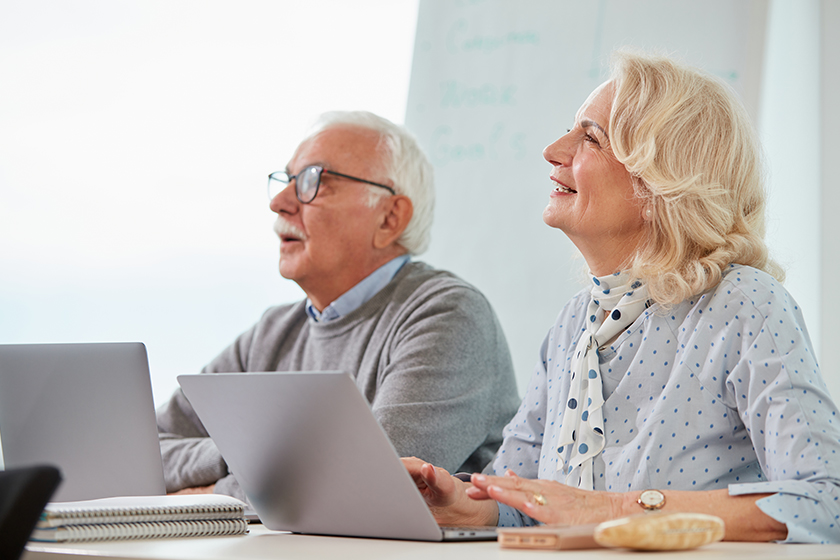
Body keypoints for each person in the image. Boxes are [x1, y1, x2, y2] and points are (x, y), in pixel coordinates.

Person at [403, 51, 840, 544]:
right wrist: (467, 507)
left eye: (591, 138)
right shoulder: (574, 323)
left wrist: (614, 509)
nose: (552, 150)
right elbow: (527, 505)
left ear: (661, 183)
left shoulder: (744, 304)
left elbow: (827, 501)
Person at [157, 111, 521, 501]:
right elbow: (149, 449)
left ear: (390, 218)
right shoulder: (271, 333)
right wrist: (238, 456)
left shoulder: (448, 316)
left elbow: (364, 482)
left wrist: (212, 493)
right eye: (287, 180)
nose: (279, 203)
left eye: (314, 180)